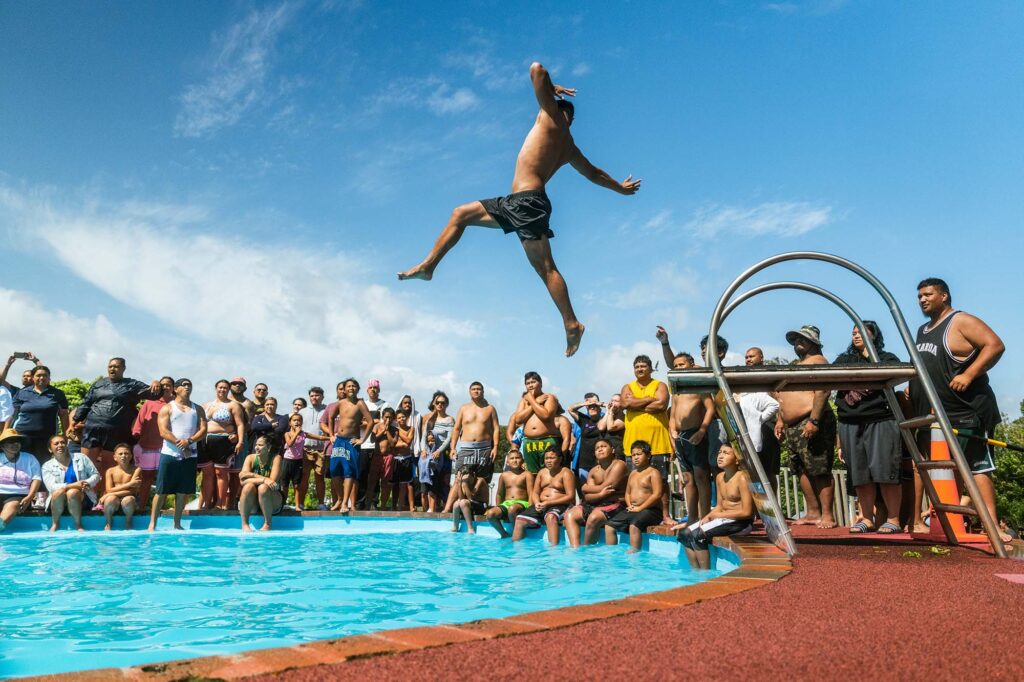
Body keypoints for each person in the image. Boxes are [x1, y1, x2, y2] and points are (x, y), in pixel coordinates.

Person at [398, 62, 641, 357]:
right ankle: (428, 266)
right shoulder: (569, 146)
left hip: (528, 203)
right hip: (517, 202)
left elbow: (536, 69)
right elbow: (595, 174)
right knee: (460, 214)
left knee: (545, 267)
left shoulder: (551, 116)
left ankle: (572, 323)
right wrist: (620, 188)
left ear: (555, 108)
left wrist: (552, 88)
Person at [908, 278, 1007, 540]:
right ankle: (956, 524)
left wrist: (970, 374)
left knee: (976, 468)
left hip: (968, 410)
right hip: (937, 414)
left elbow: (995, 345)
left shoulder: (961, 321)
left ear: (944, 296)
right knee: (946, 469)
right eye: (919, 296)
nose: (922, 300)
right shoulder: (923, 330)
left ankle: (993, 527)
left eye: (928, 294)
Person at [834, 322, 903, 534]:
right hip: (849, 420)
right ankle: (866, 517)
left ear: (874, 335)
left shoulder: (887, 358)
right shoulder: (844, 360)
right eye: (853, 332)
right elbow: (832, 376)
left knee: (885, 470)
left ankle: (893, 519)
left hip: (881, 418)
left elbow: (895, 373)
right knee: (859, 473)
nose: (856, 336)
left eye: (861, 332)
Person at [773, 325, 837, 529]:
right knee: (800, 469)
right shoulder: (797, 364)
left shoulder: (819, 362)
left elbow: (823, 391)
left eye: (802, 340)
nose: (797, 344)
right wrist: (781, 419)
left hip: (811, 420)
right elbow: (784, 396)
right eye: (795, 341)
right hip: (792, 424)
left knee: (819, 468)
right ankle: (812, 512)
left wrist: (814, 420)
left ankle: (827, 515)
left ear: (814, 342)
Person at [72, 358, 159, 498]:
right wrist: (75, 420)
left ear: (123, 368)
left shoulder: (132, 384)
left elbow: (154, 394)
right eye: (110, 366)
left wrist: (156, 383)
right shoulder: (98, 384)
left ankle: (103, 499)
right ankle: (84, 498)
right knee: (84, 466)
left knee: (108, 467)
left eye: (116, 367)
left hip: (117, 430)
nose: (113, 369)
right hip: (93, 427)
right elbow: (86, 403)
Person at [673, 444, 755, 569]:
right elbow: (719, 506)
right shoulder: (719, 477)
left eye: (726, 453)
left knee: (697, 535)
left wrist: (718, 515)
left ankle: (705, 574)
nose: (720, 456)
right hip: (722, 519)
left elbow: (747, 512)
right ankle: (695, 571)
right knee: (684, 534)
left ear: (737, 459)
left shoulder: (742, 478)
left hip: (741, 523)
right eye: (720, 452)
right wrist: (709, 516)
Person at [620, 355, 673, 525]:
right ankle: (635, 512)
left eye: (643, 366)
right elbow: (625, 403)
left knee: (662, 482)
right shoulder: (627, 386)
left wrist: (636, 403)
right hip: (632, 445)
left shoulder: (660, 385)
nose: (640, 369)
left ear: (650, 368)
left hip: (658, 443)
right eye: (637, 366)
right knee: (635, 482)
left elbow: (661, 405)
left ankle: (665, 515)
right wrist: (649, 400)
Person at [149, 378, 207, 531]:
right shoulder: (168, 408)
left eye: (190, 385)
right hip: (169, 455)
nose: (188, 387)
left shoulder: (198, 408)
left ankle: (177, 523)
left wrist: (189, 441)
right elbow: (163, 431)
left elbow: (203, 430)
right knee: (161, 491)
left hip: (190, 456)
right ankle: (152, 524)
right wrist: (180, 443)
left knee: (182, 492)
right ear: (176, 389)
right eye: (184, 385)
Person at [667, 352, 716, 525]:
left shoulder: (698, 385)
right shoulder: (676, 389)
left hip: (695, 434)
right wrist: (672, 431)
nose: (678, 368)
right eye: (676, 366)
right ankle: (692, 517)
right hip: (680, 437)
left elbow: (710, 409)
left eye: (682, 365)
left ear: (691, 365)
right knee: (687, 479)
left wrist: (702, 431)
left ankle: (704, 518)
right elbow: (673, 414)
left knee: (701, 477)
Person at [443, 381, 500, 513]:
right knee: (459, 478)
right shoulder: (463, 408)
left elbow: (496, 429)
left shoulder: (490, 408)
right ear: (469, 392)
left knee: (482, 480)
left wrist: (495, 447)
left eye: (479, 389)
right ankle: (447, 509)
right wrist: (452, 448)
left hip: (484, 448)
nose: (476, 391)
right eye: (473, 389)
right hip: (466, 449)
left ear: (483, 391)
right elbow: (456, 429)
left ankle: (482, 508)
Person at [563, 437, 628, 547]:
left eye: (603, 446)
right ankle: (575, 548)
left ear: (612, 450)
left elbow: (608, 486)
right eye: (597, 448)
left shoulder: (619, 465)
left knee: (593, 518)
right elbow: (588, 497)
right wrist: (601, 494)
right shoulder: (593, 471)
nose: (600, 449)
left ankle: (587, 551)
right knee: (569, 515)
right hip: (596, 503)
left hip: (616, 503)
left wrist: (585, 487)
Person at [607, 440, 665, 552]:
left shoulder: (653, 472)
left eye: (639, 454)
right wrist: (630, 505)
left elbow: (657, 494)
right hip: (633, 509)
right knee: (609, 526)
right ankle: (611, 554)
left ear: (648, 455)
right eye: (633, 455)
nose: (635, 458)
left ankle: (634, 553)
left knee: (634, 525)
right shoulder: (632, 473)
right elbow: (628, 493)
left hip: (651, 510)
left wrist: (640, 507)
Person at [512, 446, 576, 545]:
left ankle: (553, 550)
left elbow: (570, 496)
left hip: (561, 505)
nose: (548, 461)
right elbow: (535, 492)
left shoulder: (566, 473)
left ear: (560, 459)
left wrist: (548, 502)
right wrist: (537, 502)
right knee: (519, 519)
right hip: (542, 505)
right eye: (546, 458)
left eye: (552, 458)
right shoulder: (542, 473)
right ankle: (516, 552)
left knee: (550, 517)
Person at [327, 378, 372, 512]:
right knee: (334, 472)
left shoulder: (360, 404)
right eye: (348, 386)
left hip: (352, 441)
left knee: (349, 472)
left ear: (357, 389)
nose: (351, 388)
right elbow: (330, 417)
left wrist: (362, 440)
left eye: (354, 386)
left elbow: (370, 422)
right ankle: (340, 498)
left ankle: (345, 503)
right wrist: (331, 434)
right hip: (339, 440)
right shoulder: (340, 403)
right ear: (345, 389)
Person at [737, 348, 781, 483]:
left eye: (751, 356)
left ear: (761, 358)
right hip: (746, 428)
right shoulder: (742, 377)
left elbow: (779, 401)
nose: (748, 359)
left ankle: (772, 504)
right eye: (746, 357)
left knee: (768, 471)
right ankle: (756, 503)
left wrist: (779, 421)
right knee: (749, 471)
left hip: (767, 427)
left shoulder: (769, 375)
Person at [201, 380, 247, 510]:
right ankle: (207, 503)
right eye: (220, 387)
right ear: (216, 388)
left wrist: (240, 441)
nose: (222, 390)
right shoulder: (207, 405)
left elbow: (240, 424)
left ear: (228, 390)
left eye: (225, 388)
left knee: (221, 473)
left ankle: (220, 504)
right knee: (207, 474)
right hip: (205, 441)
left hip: (223, 440)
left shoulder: (233, 405)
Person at [130, 376, 174, 509]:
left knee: (165, 478)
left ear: (173, 388)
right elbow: (140, 420)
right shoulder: (149, 402)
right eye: (163, 385)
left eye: (168, 385)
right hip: (148, 445)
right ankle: (142, 507)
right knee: (146, 478)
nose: (166, 387)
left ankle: (161, 508)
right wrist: (137, 435)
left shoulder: (175, 404)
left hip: (167, 447)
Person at [41, 434, 100, 531]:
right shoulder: (47, 466)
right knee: (58, 492)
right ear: (50, 449)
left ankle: (78, 524)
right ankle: (55, 524)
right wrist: (74, 485)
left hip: (82, 497)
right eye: (56, 444)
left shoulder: (81, 458)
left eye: (62, 442)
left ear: (67, 445)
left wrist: (87, 483)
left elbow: (96, 475)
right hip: (58, 499)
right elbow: (51, 487)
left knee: (72, 492)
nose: (60, 445)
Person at [11, 365, 69, 462]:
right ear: (33, 378)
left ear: (49, 378)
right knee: (21, 463)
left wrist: (65, 434)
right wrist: (6, 431)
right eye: (38, 375)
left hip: (46, 437)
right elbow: (12, 415)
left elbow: (63, 415)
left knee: (42, 464)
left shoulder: (57, 393)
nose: (42, 378)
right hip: (22, 436)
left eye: (45, 375)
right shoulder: (22, 393)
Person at [509, 371, 561, 475]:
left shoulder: (549, 397)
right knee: (531, 474)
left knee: (550, 473)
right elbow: (518, 419)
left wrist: (532, 401)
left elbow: (546, 416)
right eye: (527, 383)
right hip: (529, 442)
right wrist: (536, 402)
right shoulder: (523, 401)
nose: (530, 385)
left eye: (533, 382)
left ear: (540, 383)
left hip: (547, 440)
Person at [238, 433, 283, 531]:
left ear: (269, 447)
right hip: (253, 501)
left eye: (261, 445)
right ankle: (245, 524)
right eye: (256, 445)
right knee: (248, 486)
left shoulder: (276, 458)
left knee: (263, 488)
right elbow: (242, 479)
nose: (257, 447)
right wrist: (262, 479)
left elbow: (272, 482)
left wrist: (251, 476)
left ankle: (267, 523)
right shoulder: (250, 458)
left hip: (272, 500)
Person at [0, 429, 43, 532]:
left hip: (17, 495)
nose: (15, 444)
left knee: (13, 505)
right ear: (2, 446)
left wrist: (29, 497)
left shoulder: (29, 458)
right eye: (11, 442)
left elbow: (37, 479)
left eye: (17, 441)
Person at [484, 448, 533, 537]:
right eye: (512, 458)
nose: (515, 460)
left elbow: (531, 493)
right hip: (507, 504)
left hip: (522, 503)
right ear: (507, 462)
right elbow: (499, 493)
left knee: (512, 509)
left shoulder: (527, 474)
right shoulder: (504, 475)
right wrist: (499, 508)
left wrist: (530, 510)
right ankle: (504, 534)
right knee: (490, 514)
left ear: (522, 460)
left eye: (517, 458)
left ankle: (517, 535)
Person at [358, 378, 389, 508]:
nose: (373, 390)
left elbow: (385, 422)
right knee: (362, 474)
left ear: (379, 390)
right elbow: (359, 423)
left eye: (375, 388)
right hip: (363, 444)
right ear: (367, 390)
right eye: (370, 387)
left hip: (377, 445)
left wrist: (369, 422)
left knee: (375, 476)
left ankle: (373, 502)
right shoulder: (362, 404)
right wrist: (374, 421)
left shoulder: (384, 404)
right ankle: (360, 501)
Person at [421, 391, 455, 504]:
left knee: (444, 481)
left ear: (446, 404)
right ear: (434, 404)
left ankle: (446, 507)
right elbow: (424, 436)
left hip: (443, 454)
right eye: (437, 402)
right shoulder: (430, 420)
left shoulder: (450, 419)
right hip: (431, 456)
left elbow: (449, 438)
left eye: (443, 402)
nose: (440, 404)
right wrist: (424, 450)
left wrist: (439, 451)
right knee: (432, 481)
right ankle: (432, 508)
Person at [98, 443, 142, 531]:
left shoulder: (136, 470)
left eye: (126, 454)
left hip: (130, 497)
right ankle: (108, 522)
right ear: (115, 457)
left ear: (130, 456)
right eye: (120, 454)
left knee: (128, 499)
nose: (123, 456)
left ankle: (128, 522)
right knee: (110, 499)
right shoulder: (110, 471)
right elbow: (109, 489)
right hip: (114, 498)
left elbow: (132, 491)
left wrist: (106, 495)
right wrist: (129, 484)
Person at [298, 387, 328, 510]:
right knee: (304, 477)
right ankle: (300, 503)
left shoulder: (327, 410)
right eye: (312, 396)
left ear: (322, 397)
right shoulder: (302, 411)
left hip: (321, 449)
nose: (314, 398)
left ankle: (321, 504)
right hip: (305, 449)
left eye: (317, 395)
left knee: (320, 477)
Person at [566, 393, 604, 481]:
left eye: (594, 404)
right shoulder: (584, 420)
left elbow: (614, 407)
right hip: (584, 461)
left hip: (600, 460)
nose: (592, 407)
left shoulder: (606, 417)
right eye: (590, 405)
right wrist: (584, 403)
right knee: (584, 489)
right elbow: (570, 409)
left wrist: (601, 403)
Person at [366, 407, 396, 509]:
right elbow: (372, 439)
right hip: (377, 456)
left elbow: (392, 443)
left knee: (385, 483)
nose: (388, 419)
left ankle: (383, 506)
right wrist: (382, 430)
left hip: (388, 457)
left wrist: (387, 431)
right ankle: (368, 505)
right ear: (382, 417)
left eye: (391, 417)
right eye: (386, 417)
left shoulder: (394, 430)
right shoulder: (377, 426)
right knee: (372, 482)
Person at [390, 409, 417, 511]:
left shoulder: (411, 429)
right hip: (396, 458)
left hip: (407, 458)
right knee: (395, 484)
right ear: (396, 419)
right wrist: (401, 444)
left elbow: (409, 441)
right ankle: (394, 506)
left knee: (409, 484)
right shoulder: (393, 430)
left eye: (403, 417)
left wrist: (398, 431)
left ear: (407, 418)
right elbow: (392, 444)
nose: (401, 419)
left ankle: (411, 506)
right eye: (399, 417)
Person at [450, 465, 489, 534]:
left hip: (482, 506)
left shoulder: (480, 480)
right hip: (470, 506)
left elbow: (471, 498)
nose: (466, 481)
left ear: (473, 475)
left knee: (463, 502)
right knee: (456, 503)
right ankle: (455, 527)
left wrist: (464, 484)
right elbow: (461, 498)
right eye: (465, 480)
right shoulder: (463, 481)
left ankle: (470, 528)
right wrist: (459, 484)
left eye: (468, 479)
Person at [280, 412, 306, 508]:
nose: (297, 422)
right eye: (294, 420)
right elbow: (290, 443)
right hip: (287, 461)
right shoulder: (287, 433)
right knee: (285, 485)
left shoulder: (303, 434)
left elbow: (319, 437)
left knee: (297, 485)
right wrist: (296, 433)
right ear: (290, 423)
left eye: (299, 420)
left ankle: (297, 505)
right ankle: (282, 504)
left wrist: (330, 437)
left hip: (298, 462)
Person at [597, 392, 626, 458]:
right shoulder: (606, 415)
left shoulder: (624, 418)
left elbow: (611, 427)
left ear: (622, 404)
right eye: (612, 400)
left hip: (616, 453)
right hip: (603, 451)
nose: (612, 403)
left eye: (616, 401)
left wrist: (610, 412)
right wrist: (607, 411)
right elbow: (601, 427)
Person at [418, 431, 441, 512]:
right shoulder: (424, 451)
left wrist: (429, 461)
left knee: (432, 493)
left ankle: (432, 511)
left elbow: (437, 464)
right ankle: (424, 511)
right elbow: (421, 463)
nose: (430, 443)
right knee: (423, 493)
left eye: (432, 440)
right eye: (428, 441)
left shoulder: (438, 451)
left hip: (434, 474)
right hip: (424, 475)